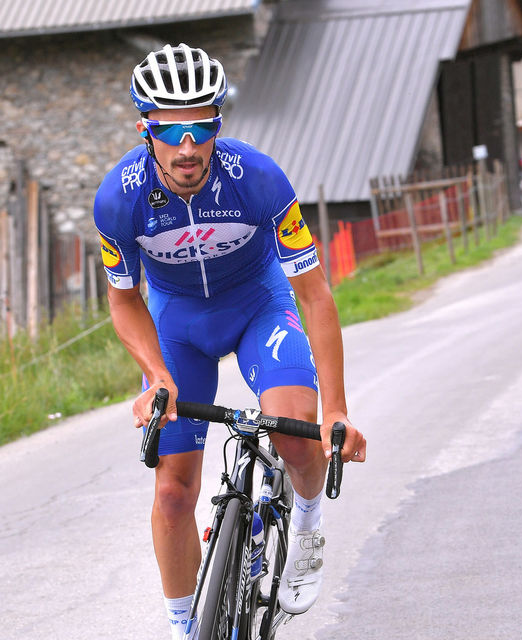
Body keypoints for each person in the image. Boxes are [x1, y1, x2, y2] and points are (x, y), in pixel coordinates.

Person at [93, 43, 367, 638]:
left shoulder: (259, 178)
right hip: (177, 327)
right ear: (148, 129)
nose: (188, 146)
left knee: (297, 439)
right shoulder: (120, 197)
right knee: (172, 492)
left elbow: (315, 295)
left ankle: (308, 524)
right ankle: (182, 625)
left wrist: (338, 410)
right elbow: (123, 301)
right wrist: (157, 376)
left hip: (258, 308)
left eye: (203, 126)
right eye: (172, 129)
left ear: (219, 122)